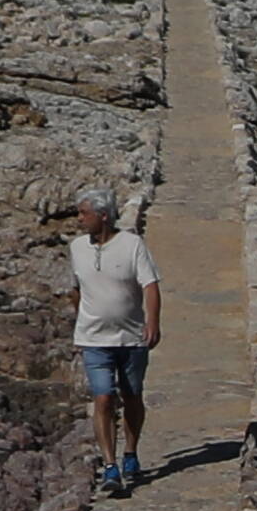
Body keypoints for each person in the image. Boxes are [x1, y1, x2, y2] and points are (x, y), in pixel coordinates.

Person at [62, 190, 163, 494]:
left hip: (131, 338)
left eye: (83, 213)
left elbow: (150, 285)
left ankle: (130, 452)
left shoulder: (132, 245)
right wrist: (81, 317)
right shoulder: (77, 247)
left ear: (103, 215)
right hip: (93, 339)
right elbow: (76, 287)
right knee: (103, 398)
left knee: (132, 396)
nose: (79, 219)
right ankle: (110, 466)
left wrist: (153, 323)